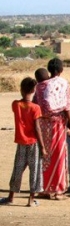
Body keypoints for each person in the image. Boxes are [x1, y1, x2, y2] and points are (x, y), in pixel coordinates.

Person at [1, 77, 47, 207]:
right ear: (34, 90)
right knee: (35, 171)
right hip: (33, 143)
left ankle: (11, 197)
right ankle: (31, 200)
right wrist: (43, 147)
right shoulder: (35, 108)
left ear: (21, 89)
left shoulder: (15, 104)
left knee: (18, 169)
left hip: (21, 142)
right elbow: (37, 128)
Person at [33, 59, 70, 200]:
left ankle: (44, 188)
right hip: (58, 124)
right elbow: (67, 107)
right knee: (59, 156)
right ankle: (58, 190)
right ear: (61, 69)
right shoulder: (64, 84)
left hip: (43, 125)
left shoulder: (40, 86)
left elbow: (35, 105)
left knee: (45, 156)